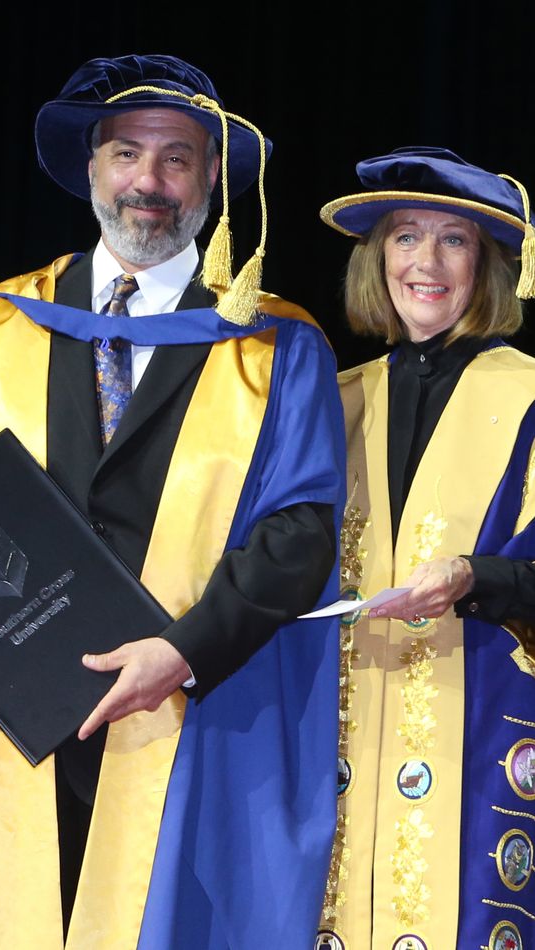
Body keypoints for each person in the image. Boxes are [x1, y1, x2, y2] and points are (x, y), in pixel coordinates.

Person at [0, 54, 346, 949]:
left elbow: (300, 532)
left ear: (211, 180)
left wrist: (182, 652)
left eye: (176, 159)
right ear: (91, 168)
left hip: (191, 714)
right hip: (12, 713)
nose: (147, 183)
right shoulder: (0, 321)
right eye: (126, 154)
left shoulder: (274, 344)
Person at [316, 146, 535, 950]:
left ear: (489, 267)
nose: (426, 263)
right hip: (342, 736)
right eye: (406, 237)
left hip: (483, 727)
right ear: (379, 259)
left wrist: (475, 575)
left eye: (455, 241)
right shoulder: (334, 400)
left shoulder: (530, 396)